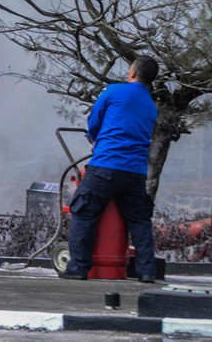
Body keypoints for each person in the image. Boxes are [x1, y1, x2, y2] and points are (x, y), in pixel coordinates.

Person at [61, 55, 160, 282]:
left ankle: (78, 269)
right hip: (135, 173)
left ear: (132, 72)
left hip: (105, 166)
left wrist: (95, 138)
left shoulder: (113, 91)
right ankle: (147, 272)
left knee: (83, 213)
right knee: (139, 221)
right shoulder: (151, 106)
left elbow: (94, 121)